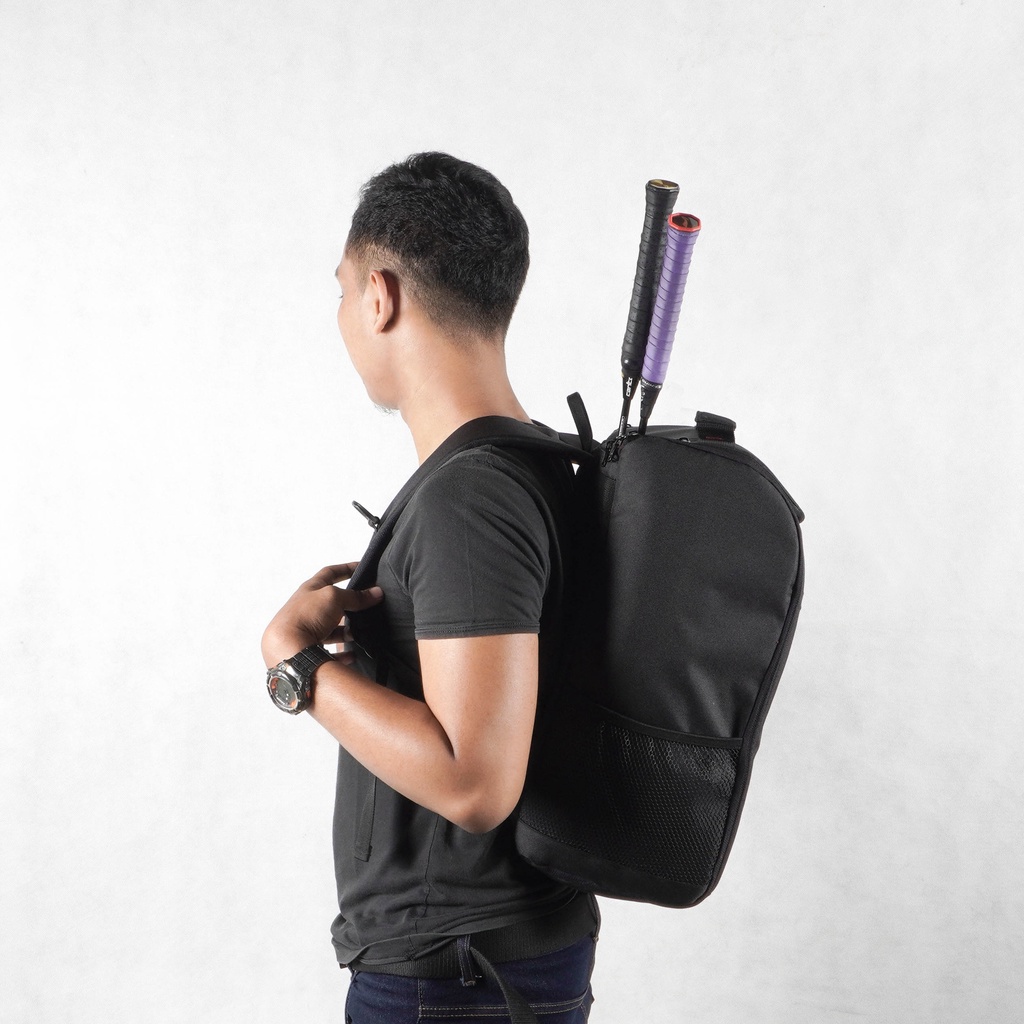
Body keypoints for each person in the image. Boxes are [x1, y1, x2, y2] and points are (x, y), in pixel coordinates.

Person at [261, 152, 598, 1023]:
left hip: (451, 980)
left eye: (342, 291)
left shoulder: (471, 499)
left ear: (380, 296)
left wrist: (296, 666)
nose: (343, 315)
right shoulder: (530, 463)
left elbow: (474, 783)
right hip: (494, 960)